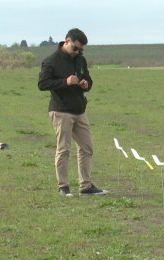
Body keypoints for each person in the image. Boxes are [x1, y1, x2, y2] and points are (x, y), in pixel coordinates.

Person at [38, 28, 108, 197]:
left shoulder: (80, 60)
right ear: (66, 41)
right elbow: (42, 84)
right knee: (64, 150)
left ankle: (86, 186)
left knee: (87, 147)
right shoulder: (51, 61)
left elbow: (89, 79)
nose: (77, 52)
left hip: (79, 110)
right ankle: (63, 186)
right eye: (75, 48)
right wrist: (65, 82)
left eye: (81, 49)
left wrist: (86, 84)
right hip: (61, 111)